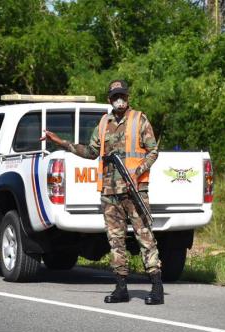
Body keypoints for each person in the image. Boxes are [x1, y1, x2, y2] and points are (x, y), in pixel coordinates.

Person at [41, 79, 164, 305]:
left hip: (134, 190)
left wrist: (138, 172)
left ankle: (156, 287)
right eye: (116, 96)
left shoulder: (139, 120)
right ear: (109, 99)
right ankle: (121, 287)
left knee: (145, 237)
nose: (120, 99)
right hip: (109, 191)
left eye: (123, 96)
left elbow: (153, 151)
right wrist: (60, 142)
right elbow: (91, 152)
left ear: (128, 98)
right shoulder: (103, 123)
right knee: (115, 240)